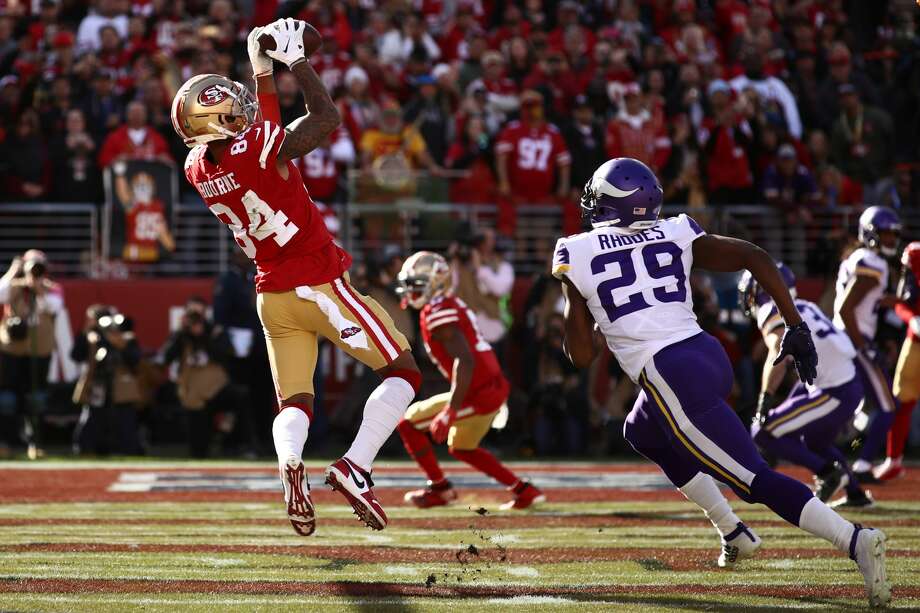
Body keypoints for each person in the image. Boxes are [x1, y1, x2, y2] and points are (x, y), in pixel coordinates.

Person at [553, 157, 889, 607]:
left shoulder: (576, 250)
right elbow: (755, 256)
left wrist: (577, 296)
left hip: (668, 373)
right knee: (643, 430)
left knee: (754, 480)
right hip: (707, 355)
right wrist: (796, 325)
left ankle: (855, 541)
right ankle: (733, 531)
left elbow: (581, 355)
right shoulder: (675, 229)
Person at [171, 19, 420, 536]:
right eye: (229, 108)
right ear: (216, 121)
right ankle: (356, 466)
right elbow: (324, 119)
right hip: (317, 284)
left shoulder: (198, 166)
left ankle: (289, 463)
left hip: (272, 296)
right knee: (403, 372)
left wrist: (262, 69)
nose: (240, 110)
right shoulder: (253, 148)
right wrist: (294, 63)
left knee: (295, 402)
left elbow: (258, 131)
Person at [395, 252, 544, 510]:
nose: (412, 291)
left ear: (437, 282)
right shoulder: (446, 304)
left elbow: (465, 360)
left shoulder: (439, 310)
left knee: (408, 425)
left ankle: (440, 490)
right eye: (410, 285)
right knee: (462, 447)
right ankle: (523, 491)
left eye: (417, 284)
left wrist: (450, 411)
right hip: (488, 386)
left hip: (478, 391)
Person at [740, 263, 873, 508]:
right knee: (815, 442)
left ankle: (827, 473)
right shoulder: (806, 305)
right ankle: (855, 494)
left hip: (834, 389)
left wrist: (765, 397)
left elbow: (777, 349)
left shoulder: (771, 309)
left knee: (762, 429)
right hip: (845, 381)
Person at [832, 206, 901, 482]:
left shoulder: (861, 258)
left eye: (894, 235)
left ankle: (848, 458)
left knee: (856, 407)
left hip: (847, 338)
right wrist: (864, 346)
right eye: (886, 234)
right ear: (871, 233)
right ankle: (860, 465)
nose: (892, 240)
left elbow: (864, 303)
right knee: (888, 406)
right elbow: (846, 309)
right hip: (853, 339)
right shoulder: (873, 261)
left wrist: (894, 301)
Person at [874, 242, 920, 481]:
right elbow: (904, 303)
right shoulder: (911, 266)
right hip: (914, 345)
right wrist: (911, 318)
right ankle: (894, 459)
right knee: (901, 402)